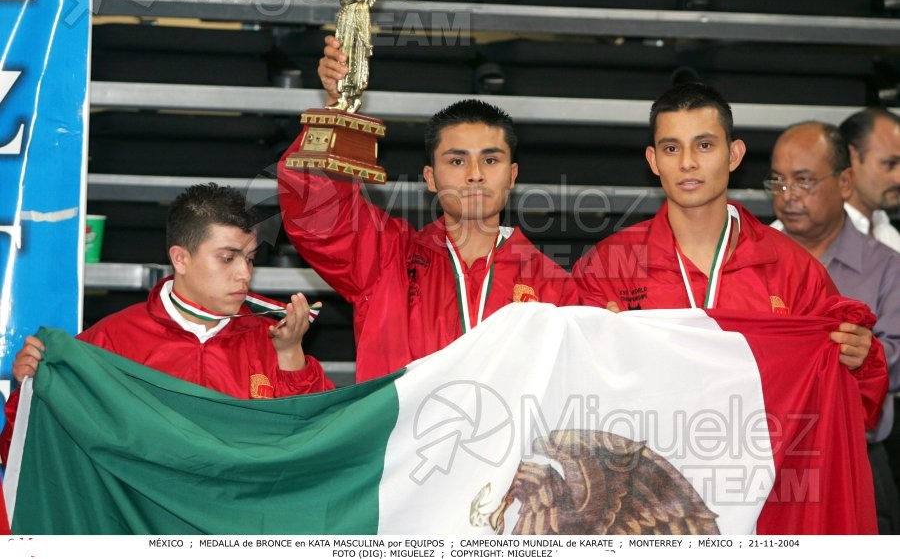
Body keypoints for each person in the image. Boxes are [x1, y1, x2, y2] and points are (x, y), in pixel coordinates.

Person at [572, 82, 885, 417]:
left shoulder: (793, 268)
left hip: (762, 465)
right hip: (646, 464)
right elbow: (572, 390)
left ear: (734, 154)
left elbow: (854, 406)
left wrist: (862, 362)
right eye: (671, 148)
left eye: (704, 145)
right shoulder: (606, 268)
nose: (688, 163)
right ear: (653, 160)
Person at [279, 51, 579, 381]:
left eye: (491, 160)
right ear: (430, 177)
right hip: (405, 433)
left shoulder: (553, 289)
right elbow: (315, 216)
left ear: (513, 174)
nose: (475, 174)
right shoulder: (387, 260)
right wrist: (336, 109)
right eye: (457, 161)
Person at [1, 183, 333, 465]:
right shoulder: (112, 340)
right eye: (227, 258)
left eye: (249, 258)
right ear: (180, 258)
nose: (244, 273)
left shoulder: (274, 338)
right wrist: (31, 388)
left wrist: (291, 358)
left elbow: (318, 449)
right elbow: (23, 452)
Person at [769, 121, 900, 534]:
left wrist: (865, 356)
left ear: (845, 183)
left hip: (856, 457)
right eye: (778, 182)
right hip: (768, 463)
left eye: (803, 181)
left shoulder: (887, 266)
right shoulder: (750, 262)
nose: (787, 196)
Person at [838, 107, 900, 252]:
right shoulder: (797, 240)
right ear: (852, 157)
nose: (898, 179)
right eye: (890, 164)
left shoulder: (889, 236)